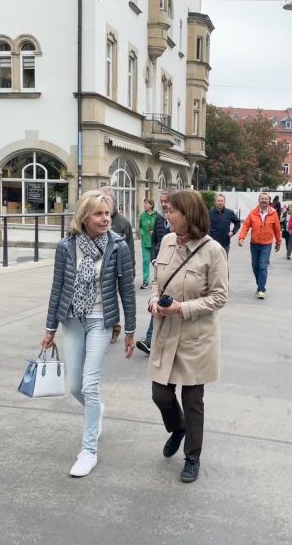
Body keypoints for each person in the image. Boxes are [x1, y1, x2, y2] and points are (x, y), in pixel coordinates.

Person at [41, 190, 136, 477]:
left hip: (100, 320)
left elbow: (127, 290)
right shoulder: (66, 246)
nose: (105, 219)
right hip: (72, 320)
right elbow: (57, 288)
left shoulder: (118, 247)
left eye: (107, 213)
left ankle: (88, 451)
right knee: (76, 388)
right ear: (84, 217)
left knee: (90, 385)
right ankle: (97, 409)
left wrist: (130, 330)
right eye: (98, 214)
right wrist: (50, 328)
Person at [148, 190, 228, 483]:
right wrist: (153, 301)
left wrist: (183, 308)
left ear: (188, 215)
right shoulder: (167, 241)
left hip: (197, 336)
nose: (166, 215)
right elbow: (157, 281)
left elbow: (220, 297)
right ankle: (178, 428)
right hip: (166, 332)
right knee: (160, 394)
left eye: (172, 211)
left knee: (193, 399)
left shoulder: (213, 250)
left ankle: (192, 456)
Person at [136, 191, 171, 355]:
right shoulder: (159, 218)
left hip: (176, 267)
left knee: (165, 303)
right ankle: (150, 340)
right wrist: (153, 258)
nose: (163, 204)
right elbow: (155, 240)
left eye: (166, 201)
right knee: (158, 301)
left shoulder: (180, 219)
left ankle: (155, 341)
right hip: (161, 265)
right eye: (161, 201)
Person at [99, 186, 135, 344]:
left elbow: (129, 248)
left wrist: (130, 270)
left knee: (111, 298)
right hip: (99, 268)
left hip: (117, 269)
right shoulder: (95, 220)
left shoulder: (123, 223)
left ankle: (114, 327)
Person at [237, 192, 281, 299]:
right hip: (254, 244)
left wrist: (278, 242)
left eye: (266, 199)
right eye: (262, 198)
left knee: (262, 266)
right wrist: (241, 238)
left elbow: (277, 229)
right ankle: (259, 285)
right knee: (255, 266)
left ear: (269, 201)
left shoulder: (273, 213)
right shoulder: (253, 213)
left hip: (266, 245)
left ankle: (261, 289)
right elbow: (246, 226)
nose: (264, 200)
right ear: (258, 200)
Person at [208, 193, 241, 257]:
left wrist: (233, 232)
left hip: (225, 243)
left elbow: (237, 223)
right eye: (218, 201)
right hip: (213, 243)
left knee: (224, 261)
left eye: (221, 201)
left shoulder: (229, 213)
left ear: (224, 202)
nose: (220, 202)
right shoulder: (210, 213)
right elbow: (205, 226)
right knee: (213, 262)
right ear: (215, 202)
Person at [138, 198, 157, 289]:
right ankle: (145, 281)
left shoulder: (156, 215)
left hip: (154, 243)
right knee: (145, 262)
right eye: (144, 203)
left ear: (151, 205)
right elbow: (140, 226)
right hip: (145, 242)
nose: (144, 205)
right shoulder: (142, 215)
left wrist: (154, 232)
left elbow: (160, 226)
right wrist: (142, 233)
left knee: (156, 262)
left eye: (146, 203)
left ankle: (157, 280)